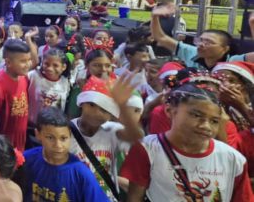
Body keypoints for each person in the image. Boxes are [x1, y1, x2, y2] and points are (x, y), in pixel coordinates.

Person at [122, 83, 254, 201]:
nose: (206, 126)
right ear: (170, 111)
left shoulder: (233, 159)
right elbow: (135, 197)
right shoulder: (147, 149)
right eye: (196, 115)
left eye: (214, 121)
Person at [69, 75, 144, 201]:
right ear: (81, 103)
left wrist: (122, 106)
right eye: (92, 105)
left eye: (104, 110)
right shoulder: (66, 132)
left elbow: (137, 136)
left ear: (111, 115)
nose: (97, 112)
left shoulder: (112, 131)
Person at [23, 107, 107, 201]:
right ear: (38, 134)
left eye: (63, 138)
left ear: (70, 135)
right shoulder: (25, 160)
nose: (58, 145)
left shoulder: (82, 174)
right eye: (50, 138)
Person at [0, 39, 33, 151]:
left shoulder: (23, 78)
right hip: (5, 140)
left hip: (20, 136)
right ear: (8, 62)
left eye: (29, 60)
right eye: (23, 61)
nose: (28, 64)